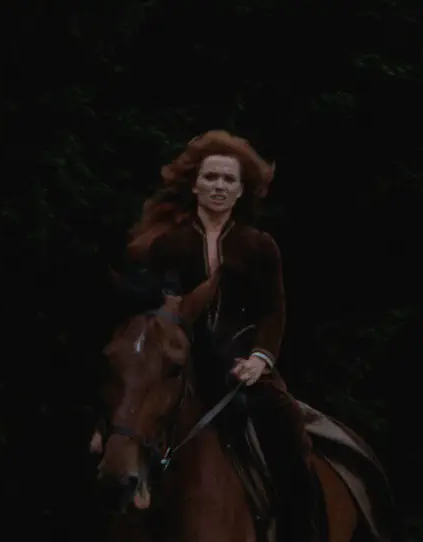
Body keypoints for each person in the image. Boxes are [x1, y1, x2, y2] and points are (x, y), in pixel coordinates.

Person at [123, 130, 318, 541]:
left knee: (289, 430)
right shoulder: (168, 245)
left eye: (229, 179)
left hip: (243, 362)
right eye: (210, 177)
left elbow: (274, 311)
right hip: (183, 360)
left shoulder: (259, 245)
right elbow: (153, 312)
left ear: (241, 190)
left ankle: (300, 527)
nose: (219, 186)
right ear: (195, 184)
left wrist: (260, 359)